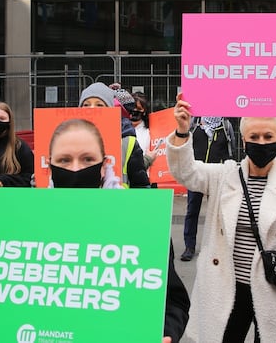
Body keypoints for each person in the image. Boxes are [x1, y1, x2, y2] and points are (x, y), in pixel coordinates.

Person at [167, 94, 276, 342]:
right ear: (243, 140)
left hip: (274, 286)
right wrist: (182, 132)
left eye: (268, 137)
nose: (261, 143)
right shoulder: (223, 175)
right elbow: (186, 172)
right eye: (254, 137)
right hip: (229, 287)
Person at [48, 118, 189, 342]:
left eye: (87, 159)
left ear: (104, 165)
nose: (76, 169)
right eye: (64, 160)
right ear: (49, 164)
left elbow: (173, 300)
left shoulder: (143, 222)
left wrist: (167, 332)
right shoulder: (30, 223)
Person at [180, 116, 236, 262]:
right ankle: (189, 246)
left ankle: (216, 246)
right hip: (197, 174)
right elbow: (185, 146)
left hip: (217, 176)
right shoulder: (195, 122)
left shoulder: (225, 126)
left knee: (217, 213)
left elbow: (231, 151)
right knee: (192, 211)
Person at [79, 82, 150, 188]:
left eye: (99, 105)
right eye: (86, 105)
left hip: (119, 203)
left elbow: (141, 185)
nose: (92, 109)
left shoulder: (127, 142)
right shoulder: (67, 140)